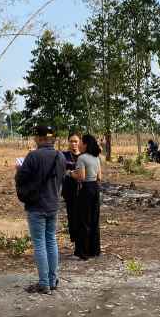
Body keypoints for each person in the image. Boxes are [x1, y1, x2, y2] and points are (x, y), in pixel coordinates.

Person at [15, 125, 66, 295]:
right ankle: (52, 280)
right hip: (53, 205)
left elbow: (21, 178)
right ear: (52, 139)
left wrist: (18, 170)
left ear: (39, 138)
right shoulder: (60, 156)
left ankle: (44, 283)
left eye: (36, 137)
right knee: (51, 241)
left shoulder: (33, 156)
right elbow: (60, 180)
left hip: (36, 206)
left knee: (39, 244)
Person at [69, 133, 102, 260]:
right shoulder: (96, 158)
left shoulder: (82, 158)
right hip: (95, 188)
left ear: (86, 144)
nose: (79, 144)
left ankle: (83, 251)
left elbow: (81, 177)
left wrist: (70, 173)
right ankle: (95, 250)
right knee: (94, 219)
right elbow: (100, 177)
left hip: (86, 189)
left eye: (81, 142)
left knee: (83, 220)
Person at [61, 133, 80, 243]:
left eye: (76, 141)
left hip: (83, 190)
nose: (73, 144)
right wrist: (69, 173)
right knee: (72, 215)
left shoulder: (83, 155)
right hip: (69, 189)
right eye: (71, 141)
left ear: (79, 142)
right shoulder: (63, 155)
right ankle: (74, 239)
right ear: (68, 142)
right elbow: (60, 170)